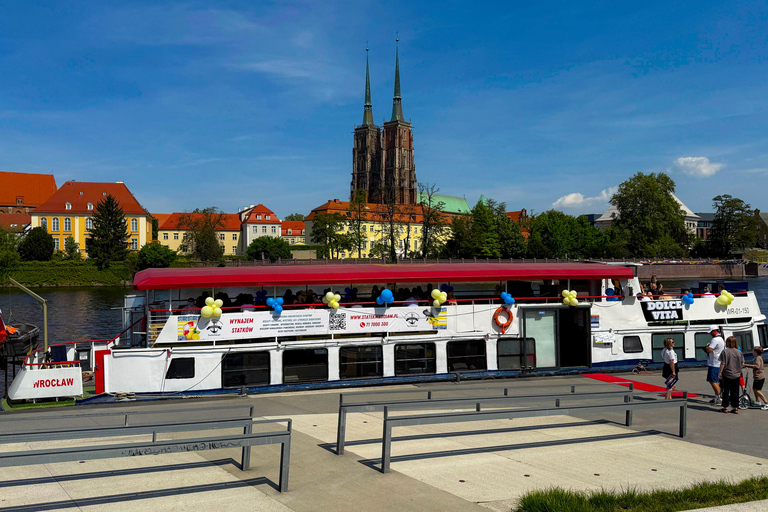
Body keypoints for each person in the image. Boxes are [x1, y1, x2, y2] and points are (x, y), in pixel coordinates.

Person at [718, 336, 745, 414]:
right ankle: (735, 407)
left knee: (726, 391)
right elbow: (742, 364)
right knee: (735, 391)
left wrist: (720, 372)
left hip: (727, 374)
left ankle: (725, 407)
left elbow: (722, 363)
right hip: (736, 374)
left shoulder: (725, 352)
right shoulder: (739, 352)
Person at [705, 325, 725, 405]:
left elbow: (709, 350)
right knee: (715, 380)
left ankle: (718, 397)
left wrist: (707, 347)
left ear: (714, 331)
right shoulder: (721, 339)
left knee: (713, 380)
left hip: (714, 363)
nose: (710, 334)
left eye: (710, 332)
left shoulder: (715, 340)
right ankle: (717, 396)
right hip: (718, 363)